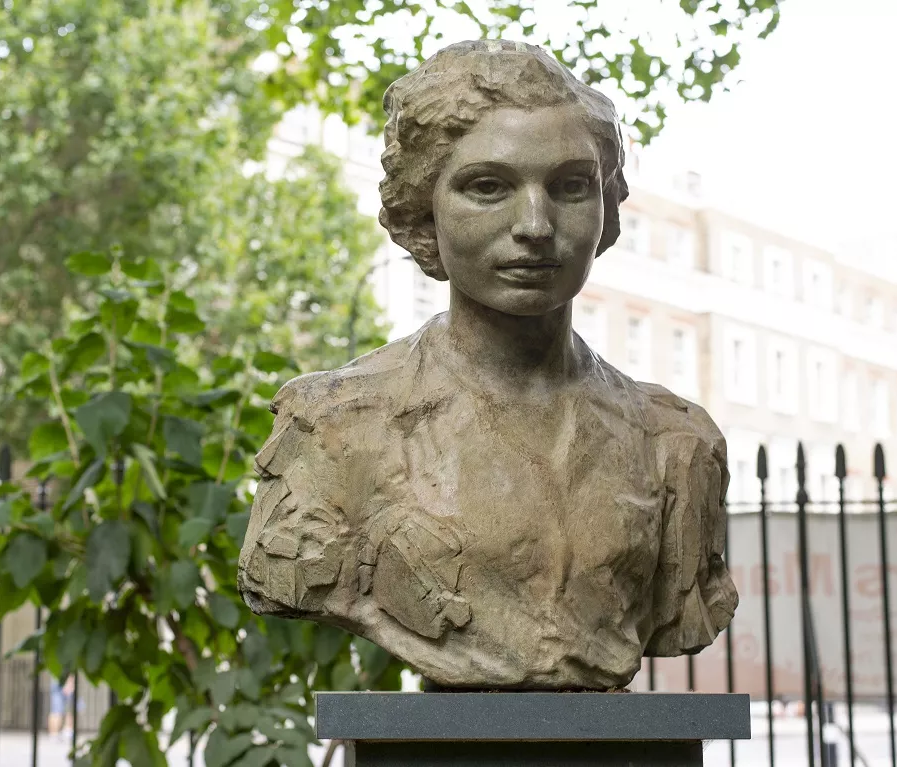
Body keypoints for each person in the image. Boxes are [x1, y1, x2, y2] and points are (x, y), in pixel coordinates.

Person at [238, 40, 737, 691]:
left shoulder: (678, 445)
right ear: (424, 209)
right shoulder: (333, 427)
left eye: (570, 187)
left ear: (607, 208)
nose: (535, 223)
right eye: (488, 187)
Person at [48, 675, 74, 740]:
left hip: (56, 682)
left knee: (55, 710)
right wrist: (70, 683)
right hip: (64, 682)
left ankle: (54, 734)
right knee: (68, 709)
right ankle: (67, 731)